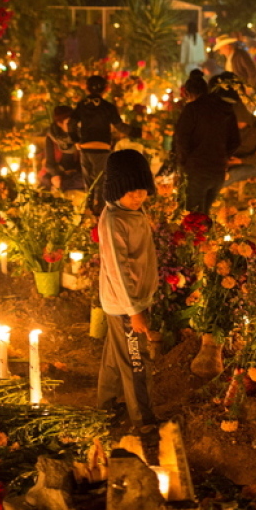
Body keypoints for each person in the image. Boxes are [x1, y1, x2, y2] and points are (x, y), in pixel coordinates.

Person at [97, 149, 161, 435]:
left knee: (116, 355)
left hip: (130, 300)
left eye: (142, 191)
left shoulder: (131, 211)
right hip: (125, 303)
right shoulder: (113, 221)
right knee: (135, 361)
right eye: (132, 193)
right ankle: (142, 419)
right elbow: (118, 270)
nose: (138, 197)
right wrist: (134, 311)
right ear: (117, 190)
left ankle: (106, 405)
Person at [173, 73, 240, 216]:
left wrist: (185, 162)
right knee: (205, 216)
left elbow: (181, 139)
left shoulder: (192, 109)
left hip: (196, 169)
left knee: (192, 217)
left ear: (187, 93)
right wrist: (223, 156)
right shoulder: (225, 109)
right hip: (217, 171)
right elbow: (235, 140)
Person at [68, 75, 122, 212]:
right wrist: (140, 132)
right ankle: (101, 213)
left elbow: (71, 123)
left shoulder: (81, 105)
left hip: (86, 146)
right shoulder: (108, 107)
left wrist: (75, 140)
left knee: (88, 182)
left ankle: (88, 211)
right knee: (102, 181)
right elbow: (120, 126)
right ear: (105, 89)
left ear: (87, 88)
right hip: (102, 147)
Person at [43, 105, 84, 203]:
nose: (72, 126)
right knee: (47, 180)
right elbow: (50, 161)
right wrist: (55, 175)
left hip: (76, 174)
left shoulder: (79, 134)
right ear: (59, 124)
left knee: (86, 181)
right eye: (68, 123)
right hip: (60, 172)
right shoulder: (51, 137)